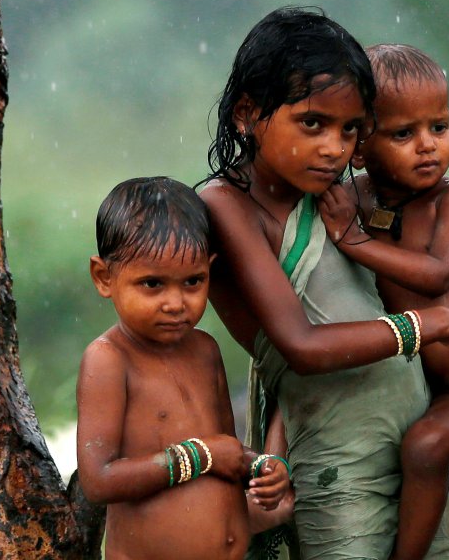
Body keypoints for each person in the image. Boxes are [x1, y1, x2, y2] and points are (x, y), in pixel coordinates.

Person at [199, 6, 449, 560]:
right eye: (312, 123)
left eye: (349, 130)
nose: (333, 148)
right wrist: (431, 324)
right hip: (338, 474)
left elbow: (420, 257)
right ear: (247, 113)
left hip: (414, 462)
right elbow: (300, 348)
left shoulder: (340, 196)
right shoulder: (226, 206)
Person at [317, 43, 449, 560]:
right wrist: (348, 228)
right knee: (398, 451)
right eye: (404, 134)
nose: (427, 146)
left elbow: (437, 275)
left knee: (425, 448)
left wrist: (355, 241)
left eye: (439, 127)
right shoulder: (353, 199)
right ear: (359, 148)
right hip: (410, 383)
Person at [76, 177, 290, 560]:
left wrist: (261, 467)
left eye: (193, 281)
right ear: (104, 278)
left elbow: (227, 451)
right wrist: (198, 455)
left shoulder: (205, 350)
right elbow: (99, 479)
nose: (176, 303)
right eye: (152, 284)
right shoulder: (109, 358)